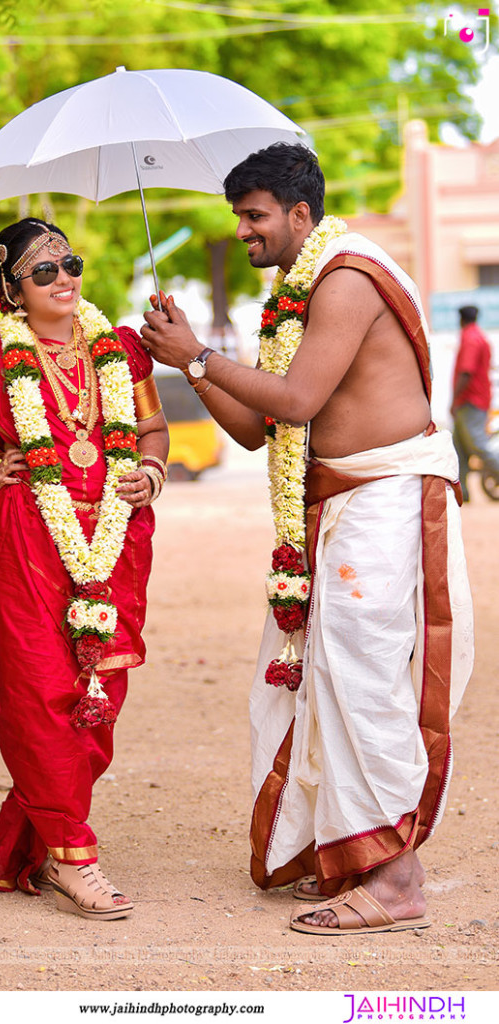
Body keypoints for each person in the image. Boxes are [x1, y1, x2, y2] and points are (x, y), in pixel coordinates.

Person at [139, 144, 473, 935]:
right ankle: (351, 856)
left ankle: (395, 879)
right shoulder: (296, 294)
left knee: (361, 681)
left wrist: (200, 353)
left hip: (383, 501)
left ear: (299, 215)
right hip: (332, 510)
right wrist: (191, 364)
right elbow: (258, 431)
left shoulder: (347, 277)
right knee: (316, 681)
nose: (245, 233)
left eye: (254, 218)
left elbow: (295, 399)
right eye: (239, 219)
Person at [0, 217, 169, 921]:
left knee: (101, 691)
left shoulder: (120, 352)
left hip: (115, 540)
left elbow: (152, 430)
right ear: (11, 290)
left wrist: (151, 468)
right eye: (43, 271)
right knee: (39, 692)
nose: (64, 278)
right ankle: (74, 858)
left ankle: (43, 837)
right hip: (26, 541)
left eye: (69, 263)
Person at [451, 304, 498, 501]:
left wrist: (454, 399)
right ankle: (463, 494)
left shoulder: (470, 338)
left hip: (470, 400)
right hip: (474, 399)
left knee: (478, 445)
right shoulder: (479, 336)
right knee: (458, 449)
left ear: (461, 319)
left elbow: (466, 371)